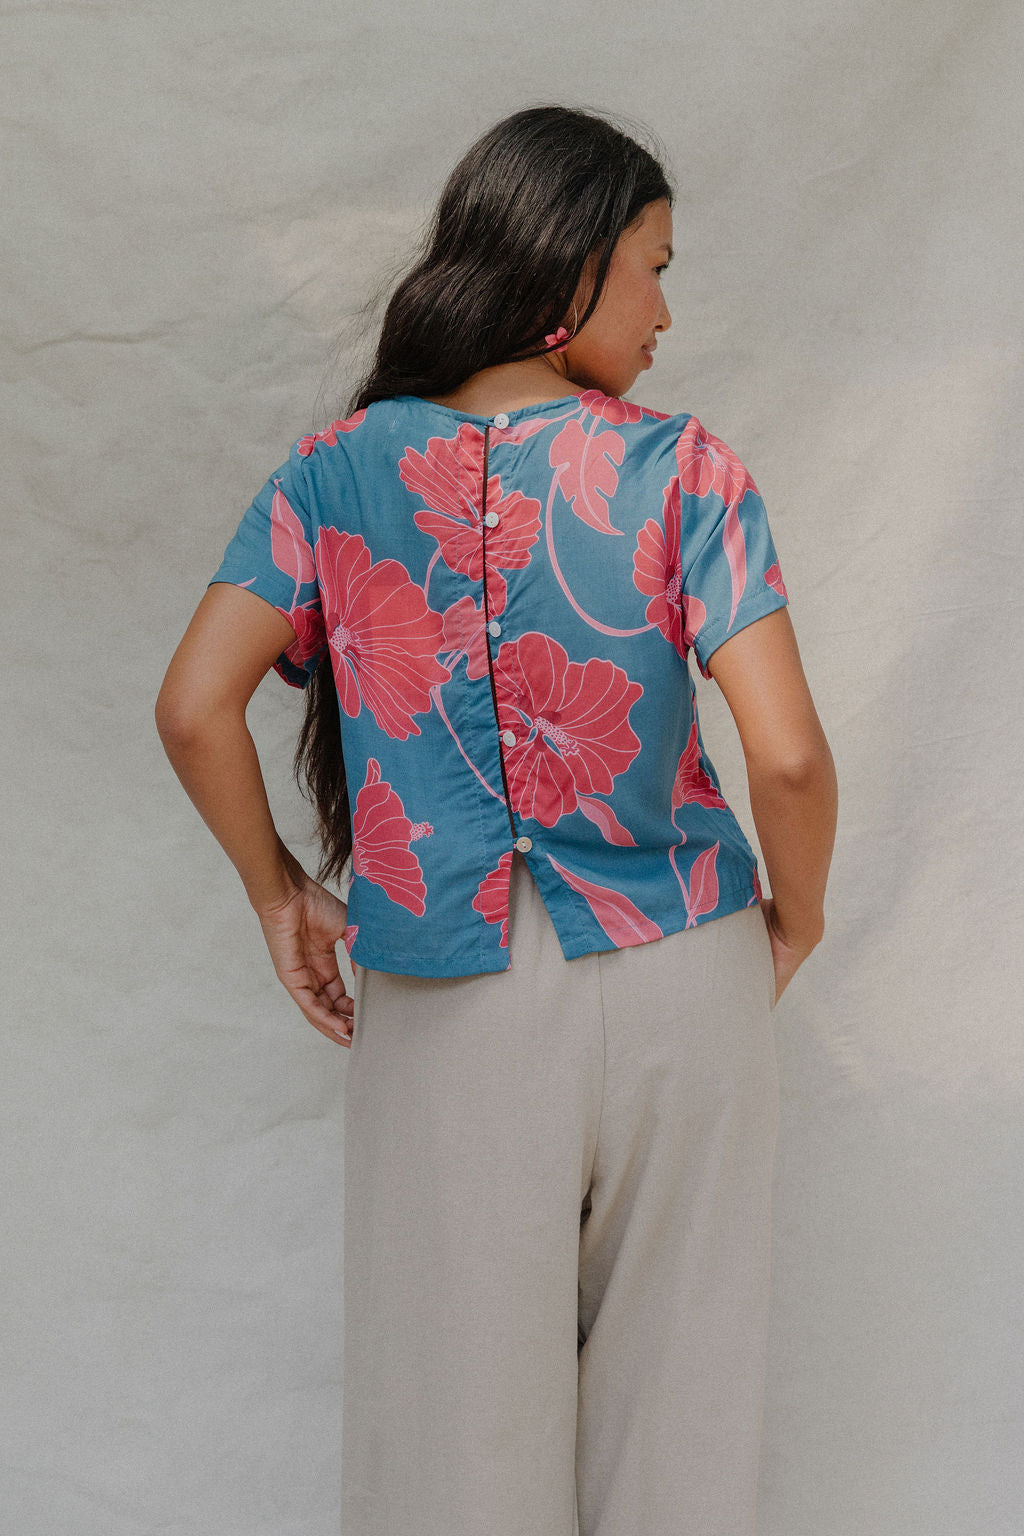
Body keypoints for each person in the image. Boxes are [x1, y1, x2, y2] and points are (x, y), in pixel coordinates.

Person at [156, 104, 837, 1536]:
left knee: (450, 1447)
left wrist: (281, 890)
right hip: (682, 965)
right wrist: (803, 914)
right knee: (683, 1420)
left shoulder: (332, 473)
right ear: (569, 272)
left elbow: (192, 707)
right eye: (654, 266)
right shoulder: (681, 470)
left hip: (447, 994)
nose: (666, 308)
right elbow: (783, 758)